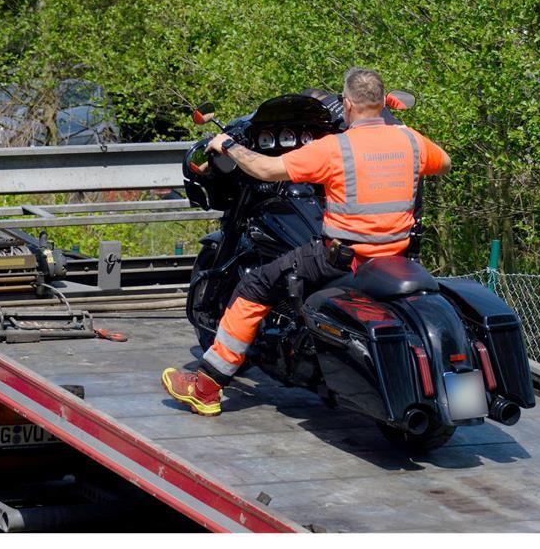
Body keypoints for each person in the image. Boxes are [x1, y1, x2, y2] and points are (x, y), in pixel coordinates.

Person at [161, 67, 451, 416]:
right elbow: (444, 163)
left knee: (256, 284)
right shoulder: (411, 140)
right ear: (380, 101)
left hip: (341, 259)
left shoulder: (335, 149)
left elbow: (266, 169)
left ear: (347, 104)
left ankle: (205, 386)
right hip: (395, 258)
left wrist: (229, 146)